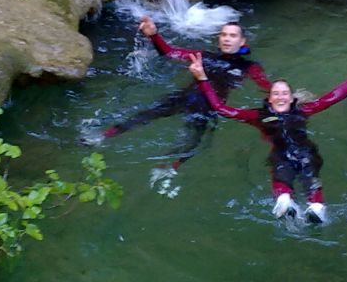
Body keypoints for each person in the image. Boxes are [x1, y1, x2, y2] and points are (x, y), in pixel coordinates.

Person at [189, 52, 347, 224]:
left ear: (291, 98)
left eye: (285, 93)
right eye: (276, 94)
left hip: (306, 153)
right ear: (270, 99)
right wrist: (202, 79)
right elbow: (223, 110)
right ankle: (286, 203)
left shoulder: (304, 110)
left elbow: (332, 97)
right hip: (281, 156)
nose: (280, 97)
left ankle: (316, 209)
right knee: (282, 176)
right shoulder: (258, 116)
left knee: (310, 176)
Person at [100, 16, 271, 172]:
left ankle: (169, 168)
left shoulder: (249, 67)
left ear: (242, 41)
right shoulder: (203, 56)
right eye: (223, 35)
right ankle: (105, 135)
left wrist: (287, 100)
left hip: (207, 107)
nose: (226, 38)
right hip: (186, 96)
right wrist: (154, 35)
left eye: (233, 36)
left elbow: (266, 87)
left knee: (193, 141)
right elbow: (169, 52)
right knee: (147, 114)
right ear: (219, 39)